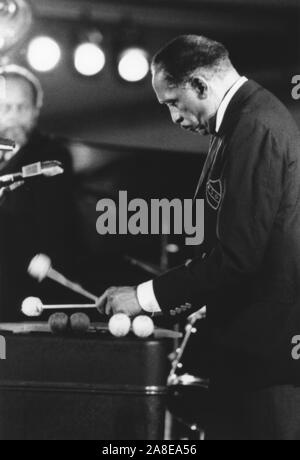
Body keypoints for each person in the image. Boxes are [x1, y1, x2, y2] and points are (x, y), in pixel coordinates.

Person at [97, 35, 300, 440]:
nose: (174, 117)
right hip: (246, 356)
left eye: (173, 101)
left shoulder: (255, 126)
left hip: (265, 362)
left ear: (201, 85)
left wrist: (144, 296)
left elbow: (239, 258)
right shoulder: (239, 123)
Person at [0, 65, 82, 321]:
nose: (13, 116)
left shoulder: (52, 155)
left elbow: (45, 221)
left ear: (35, 111)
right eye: (5, 107)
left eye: (21, 107)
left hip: (25, 289)